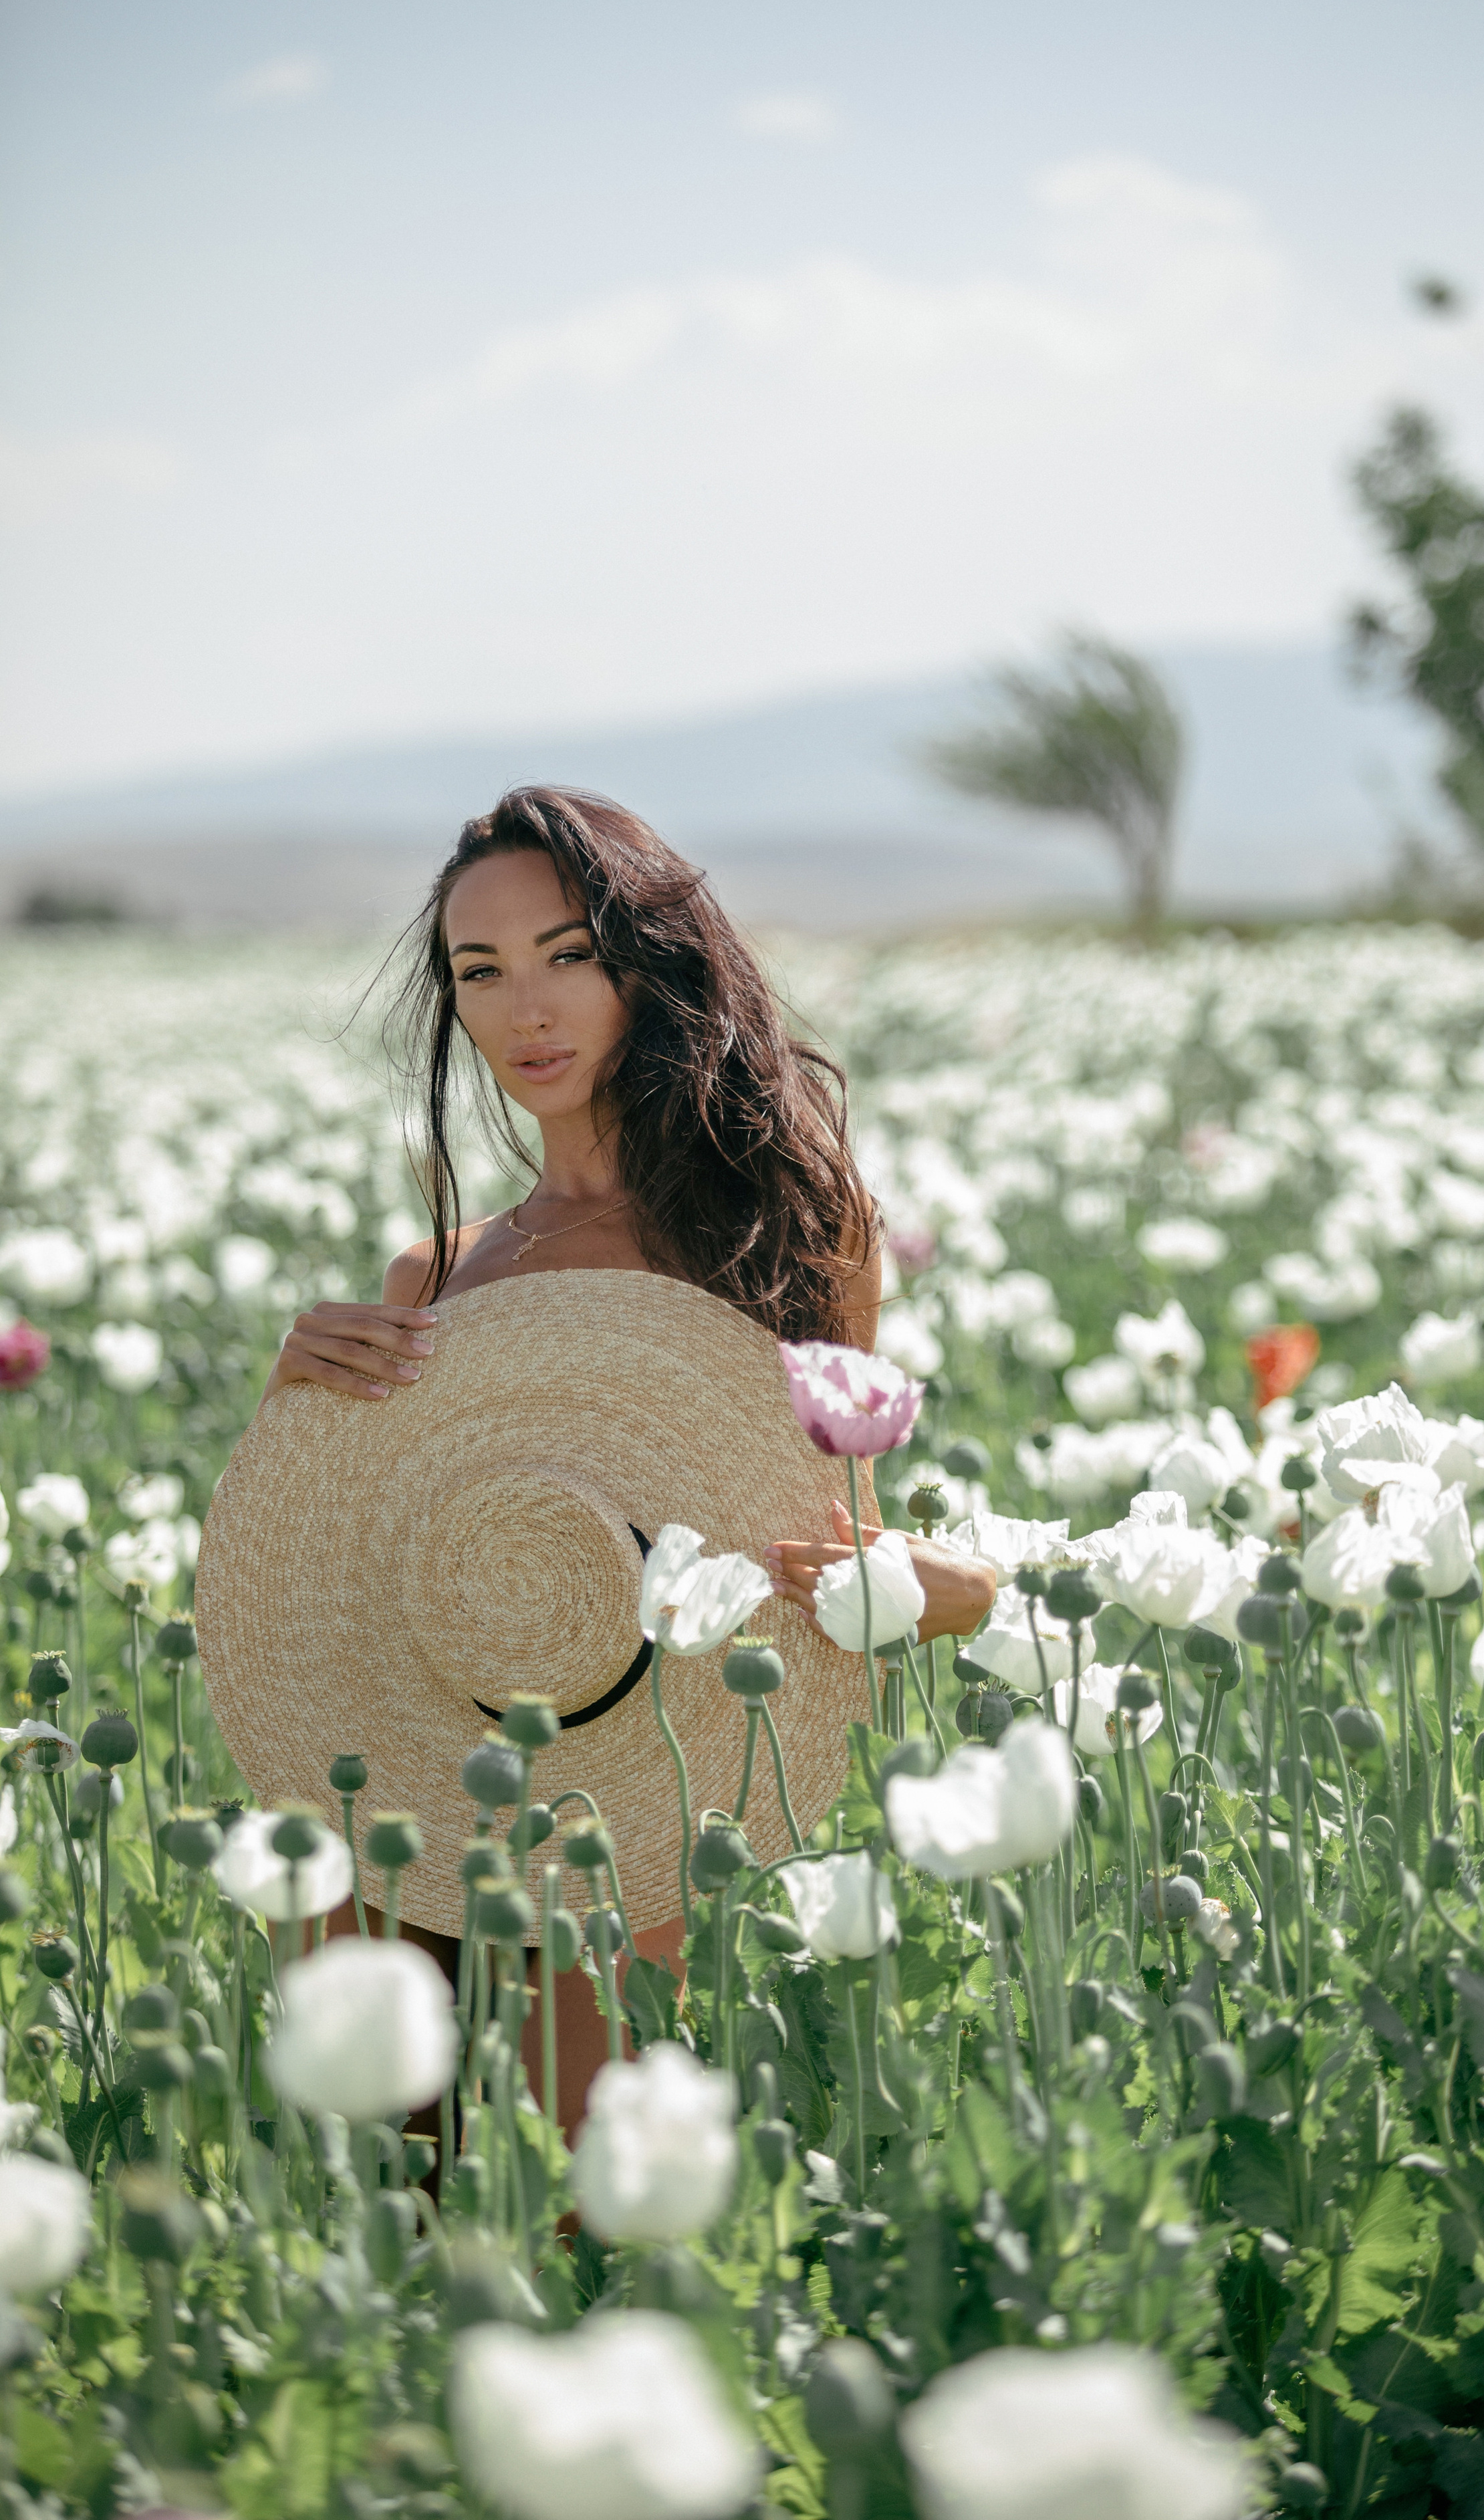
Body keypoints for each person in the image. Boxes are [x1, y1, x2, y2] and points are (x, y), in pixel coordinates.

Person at [260, 786, 996, 2132]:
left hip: (649, 1796)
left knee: (571, 2203)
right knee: (379, 2202)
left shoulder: (790, 1237)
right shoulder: (432, 1274)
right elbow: (356, 1573)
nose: (523, 1009)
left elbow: (827, 1565)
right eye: (479, 972)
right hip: (418, 1764)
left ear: (645, 964)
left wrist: (962, 1595)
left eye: (567, 954)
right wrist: (295, 1416)